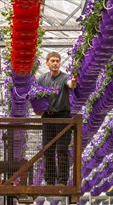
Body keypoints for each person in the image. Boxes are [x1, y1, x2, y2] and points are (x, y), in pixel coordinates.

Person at [36, 51, 78, 186]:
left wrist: (73, 82)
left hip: (63, 117)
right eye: (52, 61)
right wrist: (37, 108)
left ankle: (62, 181)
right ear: (47, 63)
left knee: (62, 150)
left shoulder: (65, 77)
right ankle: (49, 180)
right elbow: (36, 96)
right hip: (48, 117)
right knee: (48, 150)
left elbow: (70, 84)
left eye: (57, 61)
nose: (55, 63)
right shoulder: (42, 79)